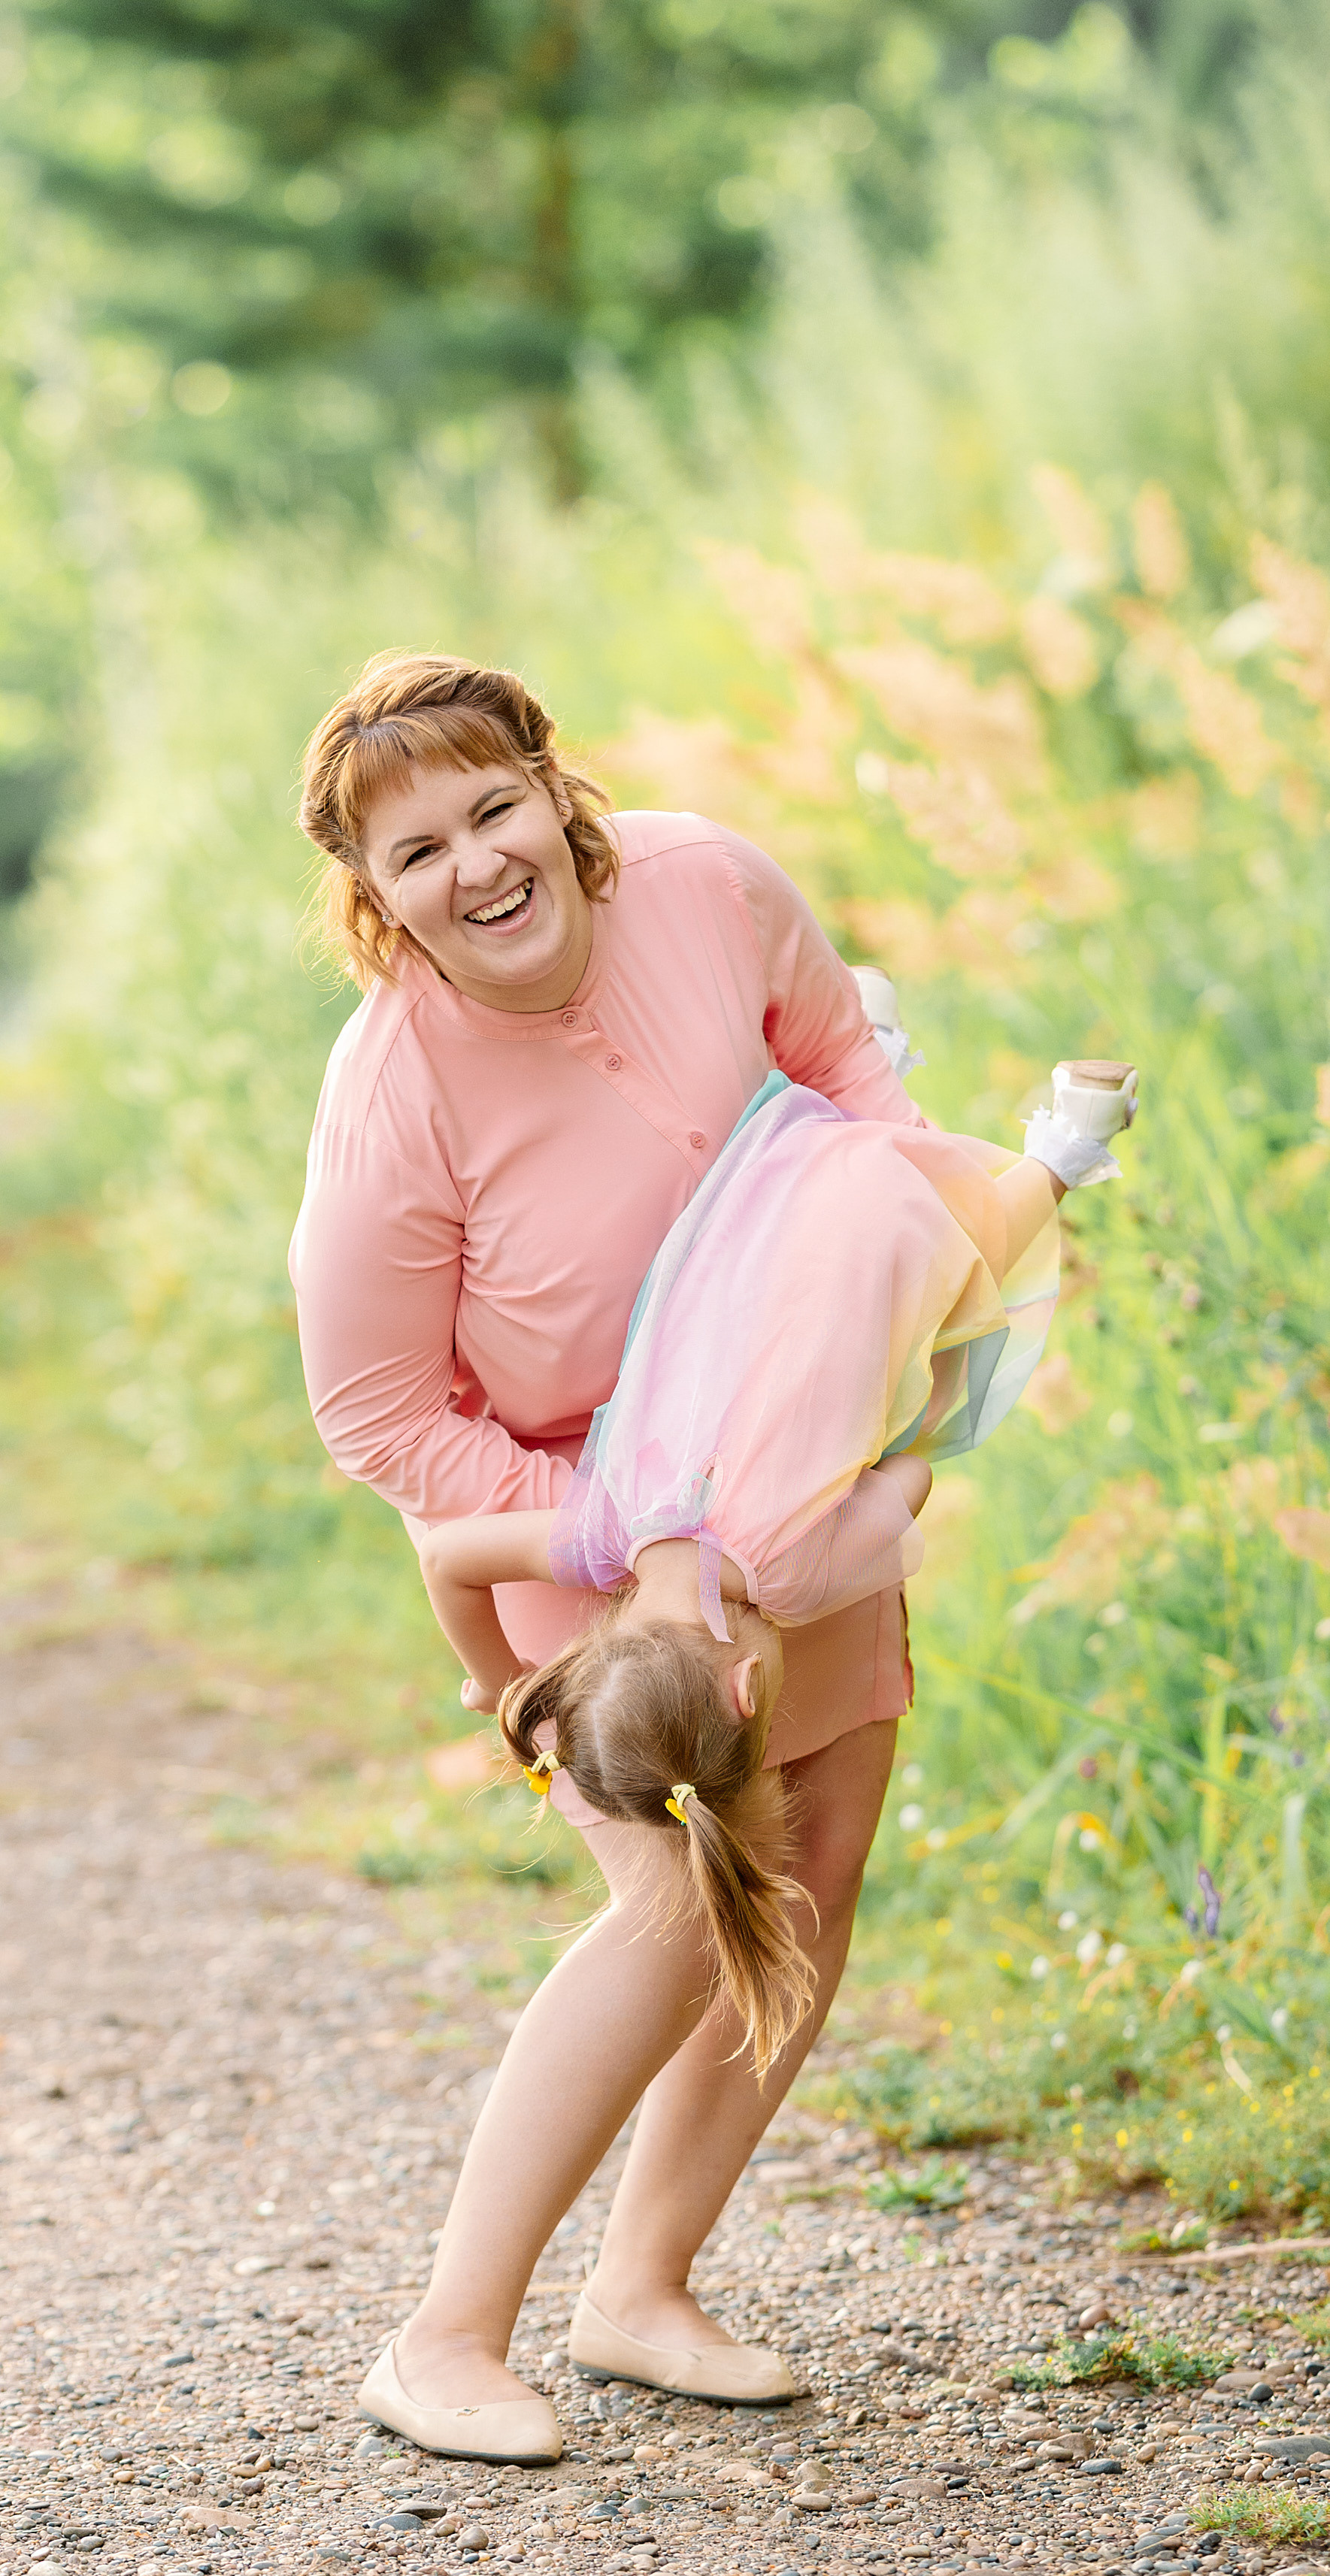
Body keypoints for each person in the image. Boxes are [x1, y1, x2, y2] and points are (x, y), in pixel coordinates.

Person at [286, 649, 1131, 2463]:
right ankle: (445, 2335)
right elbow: (375, 1415)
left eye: (493, 808)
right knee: (678, 1897)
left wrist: (903, 1315)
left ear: (553, 788)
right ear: (373, 893)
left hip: (796, 1469)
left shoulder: (707, 882)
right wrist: (624, 1534)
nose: (476, 865)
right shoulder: (394, 1087)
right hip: (568, 1516)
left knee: (810, 1860)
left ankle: (644, 2286)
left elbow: (842, 1071)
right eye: (417, 850)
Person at [416, 1056, 1135, 2063]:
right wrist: (503, 1685)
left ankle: (1070, 1139)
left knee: (964, 1290)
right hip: (755, 1208)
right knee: (865, 1247)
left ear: (748, 1687)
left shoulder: (793, 1576)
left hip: (885, 1243)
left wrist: (884, 1466)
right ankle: (872, 1053)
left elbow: (911, 1487)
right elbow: (451, 1561)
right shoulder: (608, 1525)